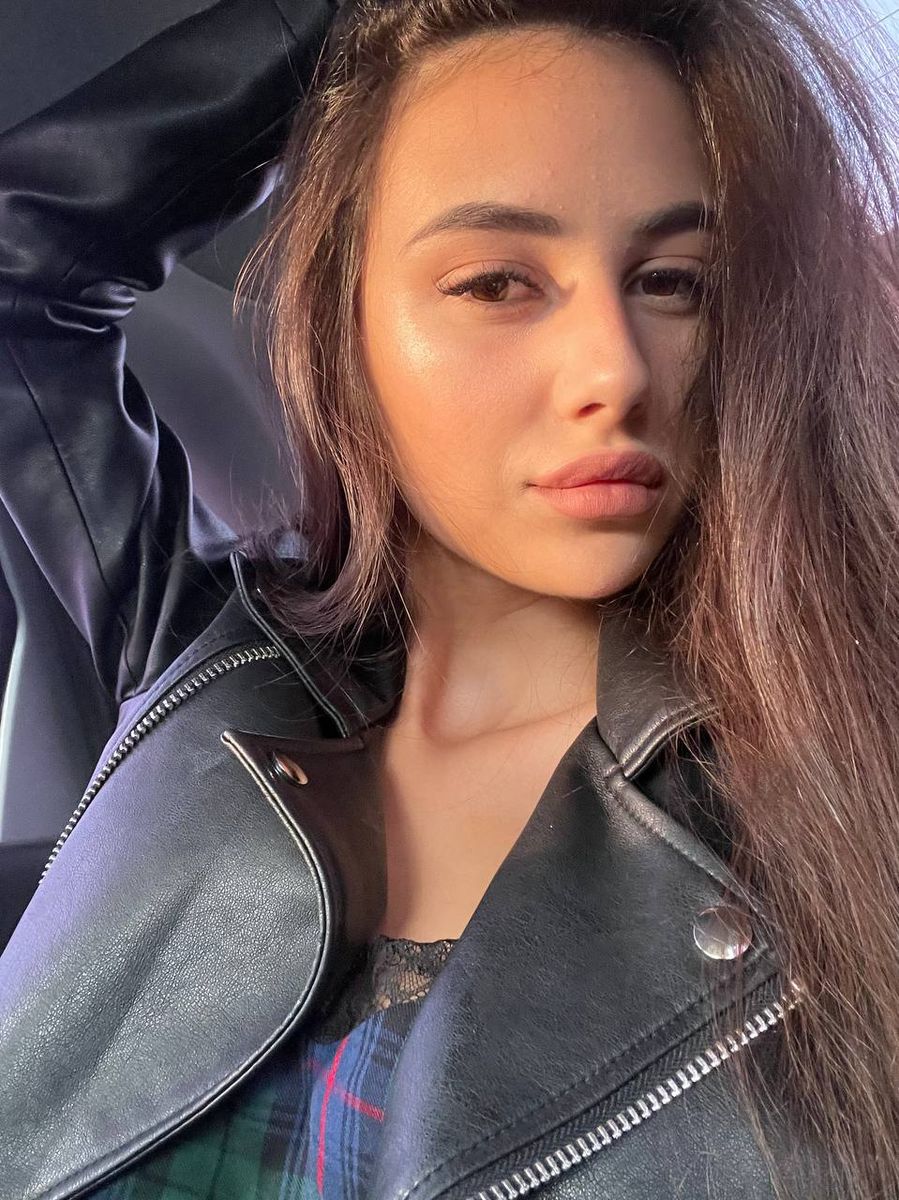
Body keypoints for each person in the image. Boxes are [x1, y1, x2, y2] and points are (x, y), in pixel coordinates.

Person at [0, 0, 896, 1197]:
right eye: (494, 282)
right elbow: (23, 262)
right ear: (341, 329)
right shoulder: (204, 655)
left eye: (672, 282)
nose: (613, 369)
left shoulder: (843, 803)